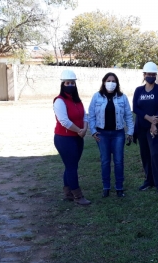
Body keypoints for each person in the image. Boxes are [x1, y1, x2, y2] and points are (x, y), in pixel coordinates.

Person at [88, 72, 134, 198]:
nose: (111, 83)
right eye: (108, 80)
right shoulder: (96, 97)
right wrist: (93, 131)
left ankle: (119, 187)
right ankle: (106, 187)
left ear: (117, 83)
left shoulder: (122, 97)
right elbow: (91, 115)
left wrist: (130, 131)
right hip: (102, 134)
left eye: (113, 81)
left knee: (119, 161)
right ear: (104, 82)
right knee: (105, 161)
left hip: (118, 133)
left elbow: (128, 115)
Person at [53, 70, 91, 205]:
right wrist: (79, 130)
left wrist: (85, 128)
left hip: (77, 137)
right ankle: (78, 196)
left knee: (71, 165)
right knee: (71, 167)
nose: (70, 85)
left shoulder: (77, 100)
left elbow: (84, 115)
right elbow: (64, 121)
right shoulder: (59, 101)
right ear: (62, 84)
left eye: (72, 83)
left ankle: (68, 192)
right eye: (67, 83)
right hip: (64, 138)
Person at [133, 62, 158, 195]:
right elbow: (135, 108)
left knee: (155, 154)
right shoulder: (138, 90)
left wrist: (154, 123)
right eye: (148, 74)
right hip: (142, 127)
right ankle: (149, 180)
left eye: (153, 74)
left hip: (155, 128)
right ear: (144, 75)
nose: (151, 76)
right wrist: (148, 118)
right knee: (145, 154)